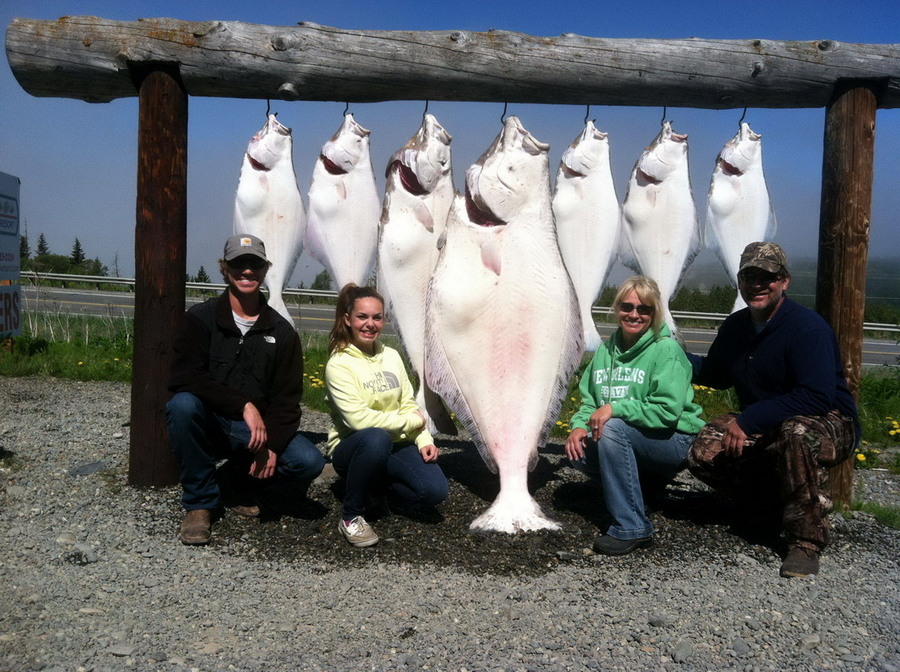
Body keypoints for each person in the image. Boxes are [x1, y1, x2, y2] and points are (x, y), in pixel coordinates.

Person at [687, 241, 859, 578]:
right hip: (768, 419)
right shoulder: (736, 326)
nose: (757, 285)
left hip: (830, 421)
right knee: (703, 450)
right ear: (740, 280)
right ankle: (769, 508)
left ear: (784, 281)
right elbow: (717, 375)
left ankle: (806, 541)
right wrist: (671, 355)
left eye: (767, 277)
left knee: (796, 434)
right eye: (749, 276)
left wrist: (750, 419)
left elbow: (817, 396)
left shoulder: (807, 328)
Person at [166, 234, 325, 545]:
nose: (247, 271)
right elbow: (184, 376)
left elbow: (287, 402)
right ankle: (199, 503)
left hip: (253, 433)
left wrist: (272, 445)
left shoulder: (282, 332)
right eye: (239, 264)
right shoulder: (200, 318)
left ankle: (234, 481)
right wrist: (243, 405)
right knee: (182, 406)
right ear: (225, 269)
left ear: (265, 270)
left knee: (309, 462)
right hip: (209, 422)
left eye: (254, 264)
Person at [565, 275, 705, 555]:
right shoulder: (606, 351)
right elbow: (590, 401)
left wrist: (616, 408)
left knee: (613, 429)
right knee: (581, 449)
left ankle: (631, 526)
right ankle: (644, 491)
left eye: (644, 309)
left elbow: (666, 413)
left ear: (655, 314)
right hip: (635, 436)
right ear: (616, 309)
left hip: (674, 439)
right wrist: (578, 426)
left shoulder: (666, 351)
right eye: (627, 307)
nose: (634, 314)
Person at [324, 283, 448, 547]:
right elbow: (359, 420)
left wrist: (424, 439)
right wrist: (413, 422)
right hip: (354, 446)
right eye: (362, 317)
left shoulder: (390, 355)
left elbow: (406, 402)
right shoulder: (339, 364)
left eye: (377, 317)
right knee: (376, 438)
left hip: (394, 441)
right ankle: (351, 516)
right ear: (347, 319)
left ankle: (377, 488)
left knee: (434, 491)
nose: (370, 324)